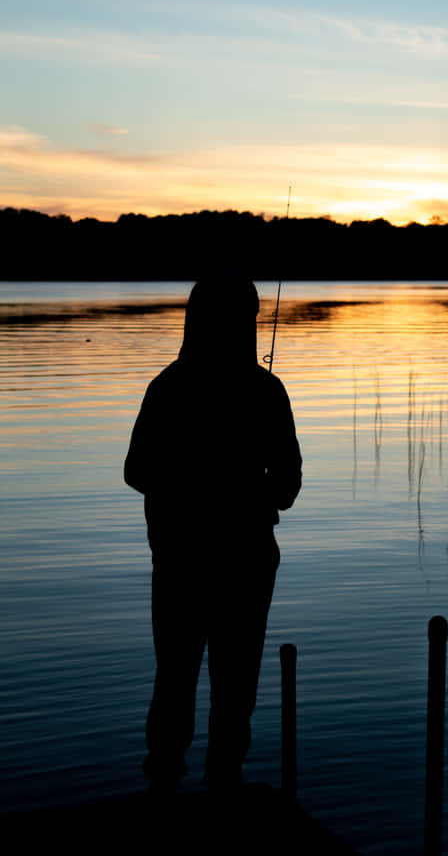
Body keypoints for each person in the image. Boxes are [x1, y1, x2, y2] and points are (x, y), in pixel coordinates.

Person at [124, 273, 302, 795]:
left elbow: (136, 472)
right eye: (246, 318)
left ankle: (168, 787)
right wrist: (243, 490)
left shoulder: (169, 387)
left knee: (180, 680)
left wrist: (186, 487)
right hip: (225, 563)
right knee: (230, 687)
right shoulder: (264, 392)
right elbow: (287, 487)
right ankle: (217, 789)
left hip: (188, 561)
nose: (248, 327)